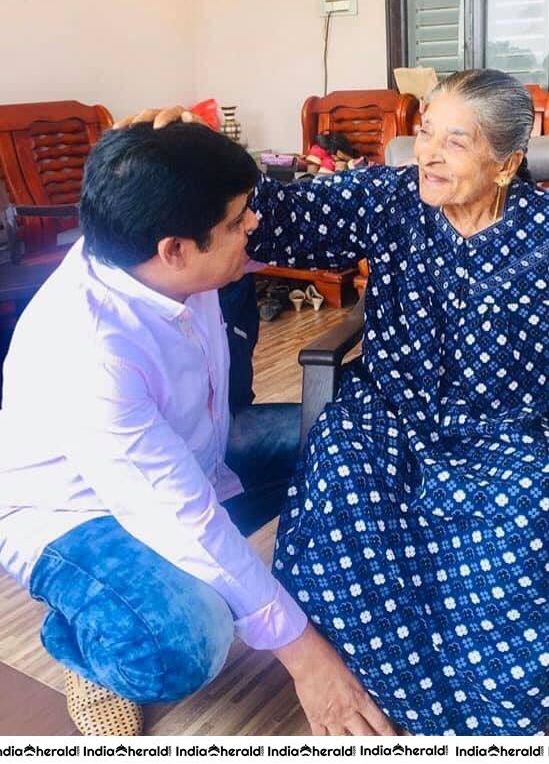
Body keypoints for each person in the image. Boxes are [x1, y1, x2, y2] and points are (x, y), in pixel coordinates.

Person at [239, 69, 549, 735]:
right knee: (339, 489)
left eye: (455, 142)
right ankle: (370, 693)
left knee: (522, 510)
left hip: (508, 426)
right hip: (389, 407)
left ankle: (480, 722)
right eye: (423, 134)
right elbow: (280, 216)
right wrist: (198, 160)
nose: (427, 155)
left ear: (505, 166)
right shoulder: (392, 198)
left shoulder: (545, 231)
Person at [0, 120, 394, 738]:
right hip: (78, 513)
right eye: (239, 222)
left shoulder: (155, 241)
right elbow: (181, 514)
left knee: (358, 437)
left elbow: (338, 212)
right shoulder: (89, 350)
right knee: (184, 642)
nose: (255, 226)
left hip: (197, 454)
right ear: (175, 250)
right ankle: (87, 633)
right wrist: (308, 658)